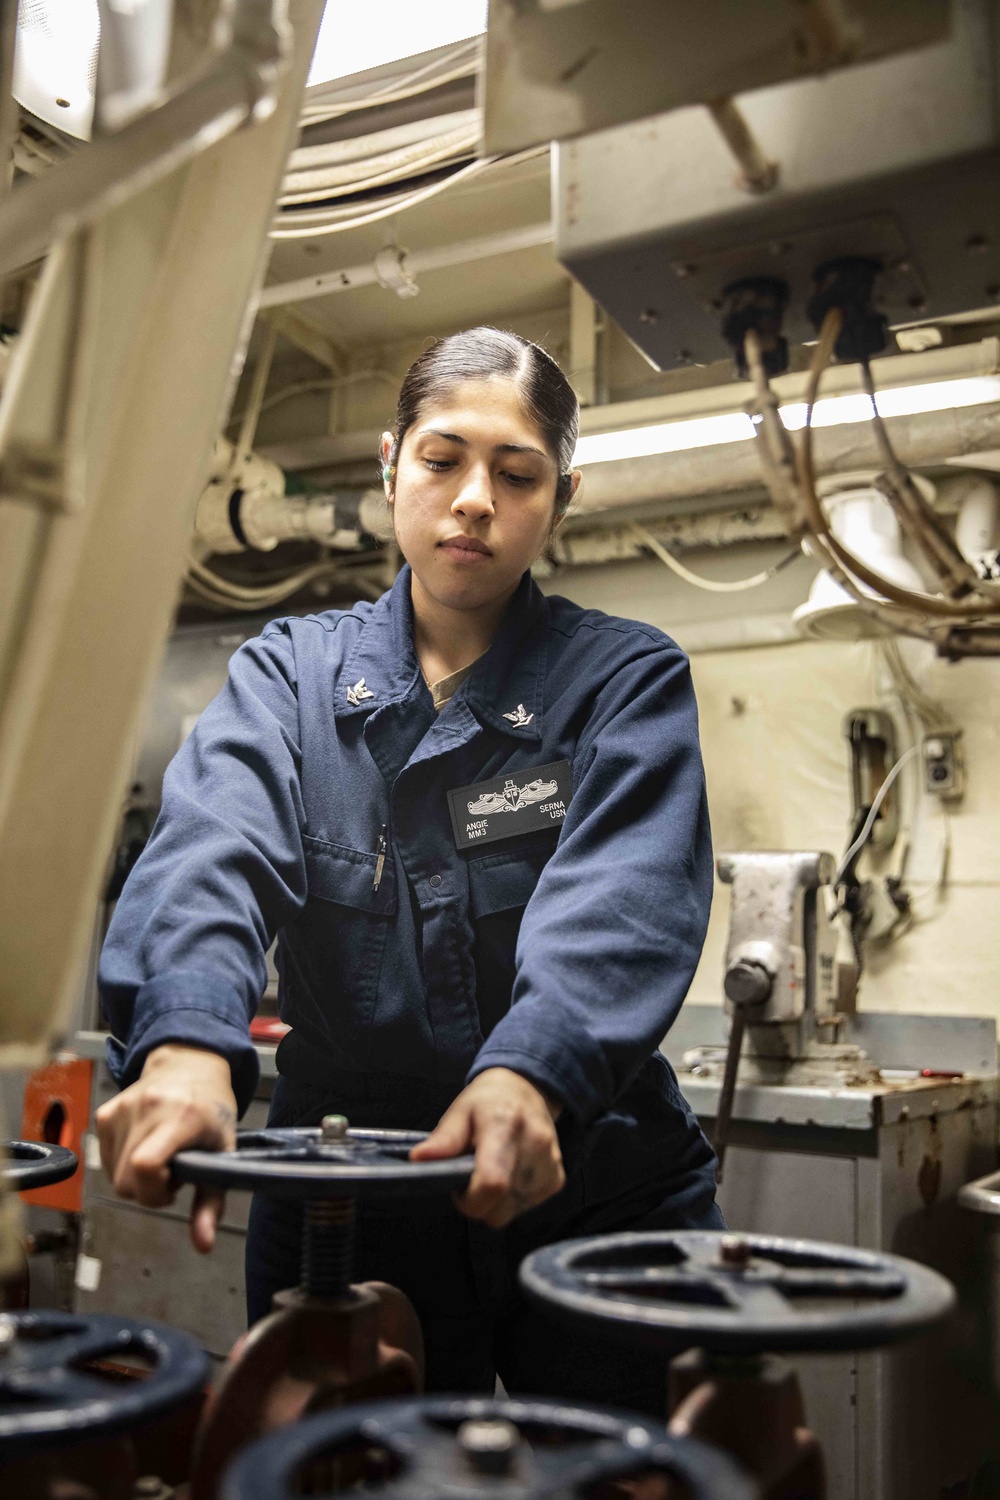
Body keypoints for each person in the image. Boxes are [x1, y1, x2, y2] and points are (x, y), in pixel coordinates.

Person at [96, 326, 722, 1415]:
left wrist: (532, 1070)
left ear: (559, 501)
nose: (473, 498)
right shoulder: (287, 678)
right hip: (349, 1198)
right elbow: (211, 854)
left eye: (516, 474)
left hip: (586, 1183)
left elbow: (621, 905)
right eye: (442, 460)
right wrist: (189, 1045)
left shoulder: (622, 681)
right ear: (391, 466)